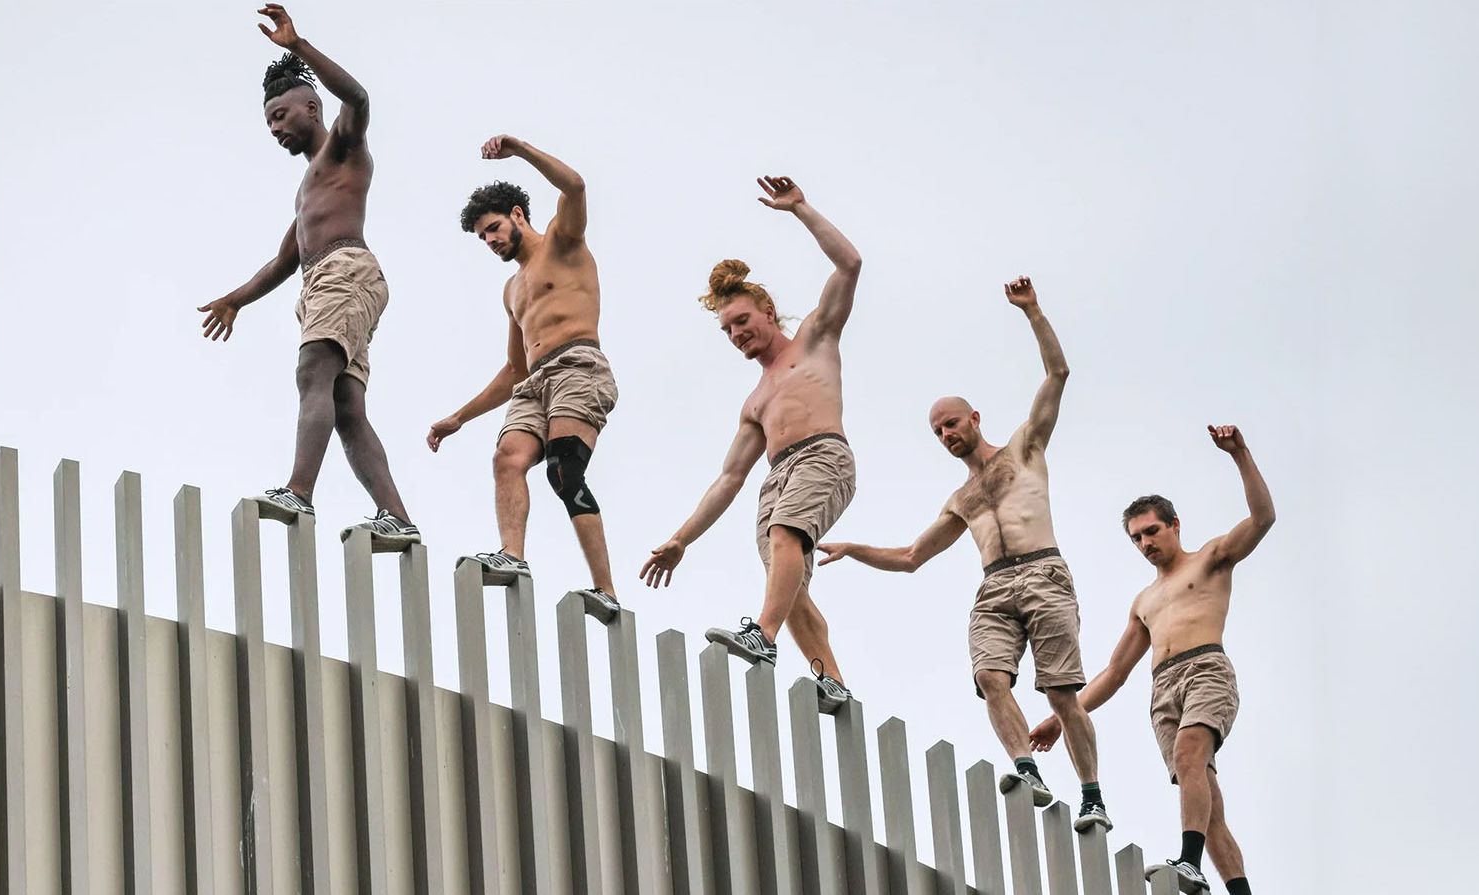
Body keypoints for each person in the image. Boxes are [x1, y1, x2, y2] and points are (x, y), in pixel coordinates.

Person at [816, 277, 1110, 830]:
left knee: (1063, 692)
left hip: (1043, 572)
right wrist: (854, 548)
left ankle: (1092, 795)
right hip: (994, 587)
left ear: (974, 418)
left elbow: (1057, 375)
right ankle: (1027, 769)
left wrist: (1033, 312)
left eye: (951, 422)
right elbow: (910, 557)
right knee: (990, 678)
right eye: (936, 431)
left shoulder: (1024, 449)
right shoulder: (961, 499)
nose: (946, 433)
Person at [196, 4, 417, 546]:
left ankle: (299, 491)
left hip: (344, 271)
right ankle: (398, 518)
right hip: (325, 278)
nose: (274, 130)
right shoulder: (306, 190)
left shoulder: (343, 150)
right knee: (345, 407)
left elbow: (360, 97)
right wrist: (234, 300)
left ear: (312, 108)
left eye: (280, 116)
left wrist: (298, 46)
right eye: (268, 121)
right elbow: (283, 260)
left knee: (311, 371)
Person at [641, 175, 862, 714]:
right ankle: (830, 678)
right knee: (788, 583)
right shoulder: (756, 401)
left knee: (788, 534)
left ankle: (762, 637)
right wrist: (680, 540)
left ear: (767, 311)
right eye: (727, 330)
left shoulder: (814, 340)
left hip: (822, 456)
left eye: (741, 320)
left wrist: (801, 208)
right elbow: (728, 479)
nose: (736, 333)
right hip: (776, 476)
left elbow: (849, 265)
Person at [1029, 425, 1275, 895]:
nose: (1145, 543)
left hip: (1205, 670)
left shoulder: (1211, 559)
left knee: (1189, 756)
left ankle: (1188, 863)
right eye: (1137, 538)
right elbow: (1115, 673)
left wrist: (1240, 453)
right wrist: (1062, 718)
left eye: (1152, 531)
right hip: (1163, 689)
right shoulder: (1144, 601)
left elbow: (1263, 518)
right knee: (1204, 799)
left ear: (1174, 525)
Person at [428, 137, 622, 620]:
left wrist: (517, 149)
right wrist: (459, 417)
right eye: (482, 237)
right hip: (534, 382)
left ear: (517, 215)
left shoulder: (563, 242)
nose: (490, 241)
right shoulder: (511, 289)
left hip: (578, 366)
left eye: (493, 228)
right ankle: (513, 558)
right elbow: (514, 369)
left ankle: (606, 591)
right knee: (506, 458)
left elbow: (575, 185)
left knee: (564, 469)